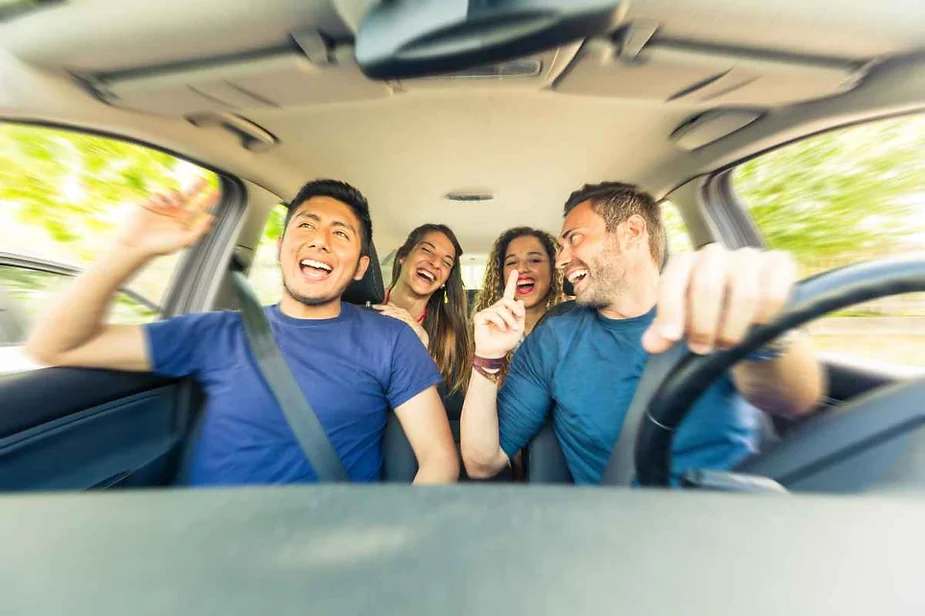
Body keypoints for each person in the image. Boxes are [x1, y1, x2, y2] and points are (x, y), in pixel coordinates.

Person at [26, 179, 459, 485]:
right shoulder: (215, 332)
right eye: (306, 225)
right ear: (281, 247)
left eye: (340, 233)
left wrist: (389, 544)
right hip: (205, 550)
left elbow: (438, 458)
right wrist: (127, 251)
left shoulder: (390, 338)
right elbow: (55, 344)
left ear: (361, 267)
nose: (319, 241)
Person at [461, 181, 824, 483]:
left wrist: (765, 324)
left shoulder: (710, 300)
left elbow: (796, 399)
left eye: (574, 238)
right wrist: (488, 356)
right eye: (560, 246)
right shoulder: (554, 337)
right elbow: (482, 462)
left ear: (631, 232)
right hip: (628, 536)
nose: (561, 259)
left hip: (748, 520)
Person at [373, 224, 471, 394]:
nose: (435, 263)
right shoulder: (362, 310)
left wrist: (422, 347)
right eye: (427, 250)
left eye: (446, 262)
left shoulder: (450, 336)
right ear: (403, 256)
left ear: (445, 281)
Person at [472, 226, 563, 350]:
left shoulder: (575, 326)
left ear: (553, 268)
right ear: (501, 274)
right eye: (511, 262)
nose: (521, 269)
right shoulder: (483, 331)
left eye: (535, 260)